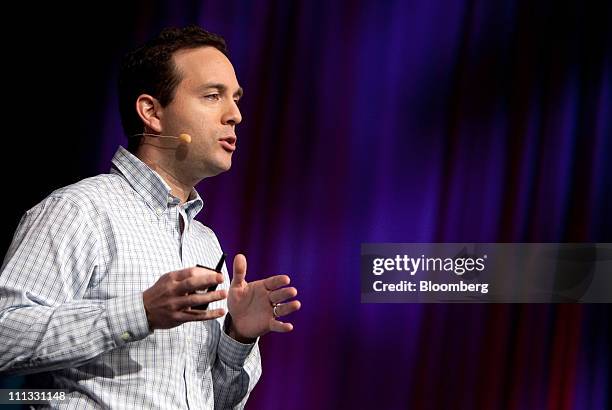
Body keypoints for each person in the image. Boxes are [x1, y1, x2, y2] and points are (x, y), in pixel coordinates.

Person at [0, 25, 300, 409]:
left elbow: (220, 402)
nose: (236, 115)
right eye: (213, 96)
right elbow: (6, 337)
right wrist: (140, 311)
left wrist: (237, 339)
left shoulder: (203, 241)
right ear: (152, 112)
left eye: (236, 99)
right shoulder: (80, 211)